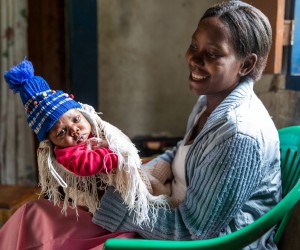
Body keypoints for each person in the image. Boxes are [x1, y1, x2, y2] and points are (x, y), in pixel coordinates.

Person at [0, 1, 281, 249]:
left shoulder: (239, 134)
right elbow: (181, 154)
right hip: (163, 214)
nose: (194, 59)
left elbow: (196, 232)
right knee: (34, 216)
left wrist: (106, 198)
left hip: (194, 241)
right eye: (194, 46)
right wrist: (131, 176)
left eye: (213, 53)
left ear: (246, 65)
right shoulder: (212, 101)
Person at [3, 59, 171, 226]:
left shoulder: (96, 129)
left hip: (131, 172)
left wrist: (115, 147)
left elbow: (120, 143)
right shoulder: (66, 155)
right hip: (115, 193)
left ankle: (165, 173)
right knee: (157, 192)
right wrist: (112, 151)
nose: (74, 130)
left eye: (76, 119)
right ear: (52, 142)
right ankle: (169, 201)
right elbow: (89, 165)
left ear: (83, 113)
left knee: (162, 166)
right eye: (62, 132)